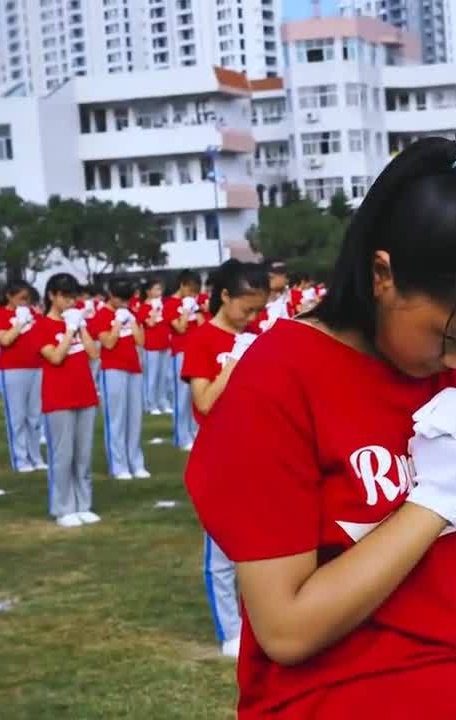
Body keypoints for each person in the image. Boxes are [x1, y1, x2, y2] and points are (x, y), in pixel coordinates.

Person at [184, 138, 456, 717]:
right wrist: (431, 502)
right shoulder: (278, 382)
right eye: (450, 336)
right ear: (384, 275)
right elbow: (287, 629)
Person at [180, 260, 269, 659]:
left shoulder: (256, 336)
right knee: (220, 551)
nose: (251, 317)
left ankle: (262, 622)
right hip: (218, 454)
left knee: (263, 544)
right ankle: (229, 630)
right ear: (225, 296)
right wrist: (232, 368)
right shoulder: (201, 340)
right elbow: (202, 401)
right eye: (246, 308)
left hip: (259, 451)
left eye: (257, 310)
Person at [33, 274, 101, 528]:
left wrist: (81, 326)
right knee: (63, 454)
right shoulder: (41, 326)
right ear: (52, 296)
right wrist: (69, 330)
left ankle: (83, 504)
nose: (70, 301)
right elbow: (55, 357)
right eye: (65, 296)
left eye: (73, 296)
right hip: (59, 397)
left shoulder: (76, 320)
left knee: (83, 455)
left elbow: (94, 354)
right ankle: (63, 507)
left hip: (84, 393)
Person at [91, 279, 150, 481]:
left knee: (134, 418)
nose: (124, 304)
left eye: (126, 300)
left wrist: (132, 321)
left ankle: (136, 462)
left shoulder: (129, 312)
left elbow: (141, 341)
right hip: (112, 370)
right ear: (111, 295)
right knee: (116, 418)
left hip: (134, 368)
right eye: (120, 300)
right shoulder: (101, 315)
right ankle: (118, 465)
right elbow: (107, 343)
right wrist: (117, 323)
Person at [0, 282, 47, 473]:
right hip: (13, 369)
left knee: (35, 416)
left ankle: (36, 456)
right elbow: (4, 340)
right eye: (22, 298)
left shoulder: (34, 315)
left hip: (37, 367)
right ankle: (20, 459)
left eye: (28, 299)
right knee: (17, 417)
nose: (25, 303)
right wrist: (19, 323)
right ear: (9, 296)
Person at [165, 271, 204, 450]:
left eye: (196, 291)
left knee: (195, 396)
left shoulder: (192, 302)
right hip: (180, 352)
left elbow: (204, 326)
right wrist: (186, 310)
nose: (193, 294)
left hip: (196, 351)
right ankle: (182, 437)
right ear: (182, 285)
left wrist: (195, 309)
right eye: (191, 289)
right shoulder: (171, 304)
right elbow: (180, 328)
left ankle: (193, 431)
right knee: (181, 396)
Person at [138, 278, 172, 416]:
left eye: (160, 289)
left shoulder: (162, 304)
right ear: (148, 291)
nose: (160, 292)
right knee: (152, 376)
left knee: (164, 376)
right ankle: (150, 403)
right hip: (151, 346)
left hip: (165, 344)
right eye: (156, 289)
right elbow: (150, 323)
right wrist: (154, 309)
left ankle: (163, 402)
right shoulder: (144, 307)